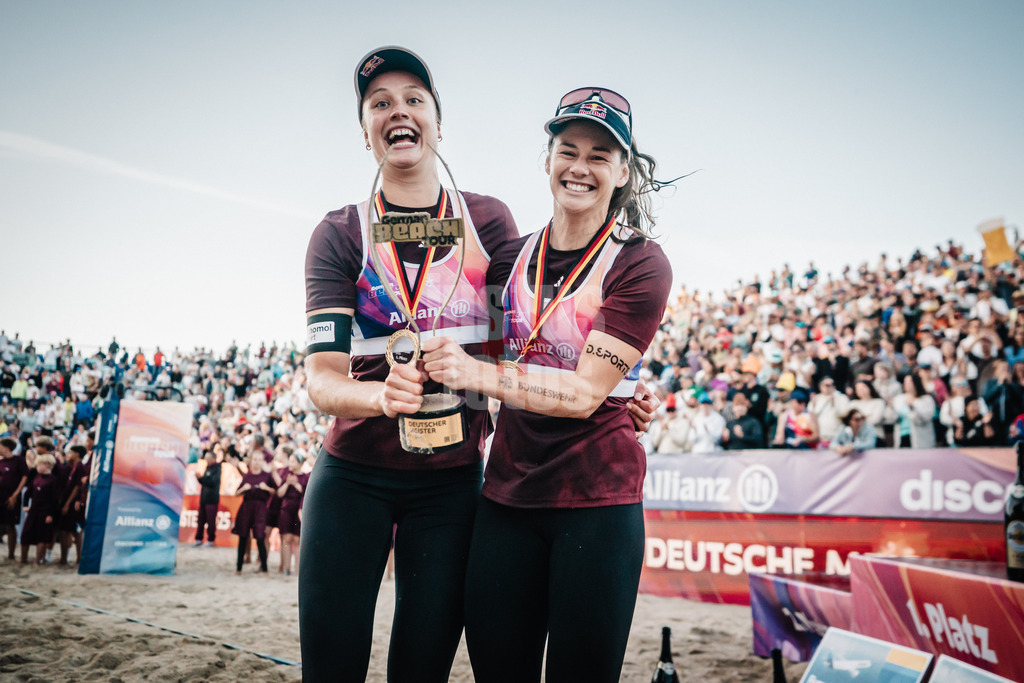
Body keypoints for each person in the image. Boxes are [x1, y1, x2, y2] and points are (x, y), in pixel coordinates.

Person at [298, 48, 656, 682]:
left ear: (440, 120)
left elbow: (525, 336)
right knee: (331, 665)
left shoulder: (490, 224)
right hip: (353, 473)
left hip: (454, 479)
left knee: (423, 667)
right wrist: (380, 399)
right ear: (364, 131)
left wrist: (619, 387)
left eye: (414, 99)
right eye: (380, 103)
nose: (398, 111)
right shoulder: (340, 231)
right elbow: (321, 380)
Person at [420, 85, 674, 681]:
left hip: (597, 504)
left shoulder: (640, 261)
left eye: (599, 155)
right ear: (547, 159)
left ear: (623, 172)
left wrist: (481, 373)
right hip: (506, 496)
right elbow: (480, 365)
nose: (580, 167)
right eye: (568, 149)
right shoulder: (509, 259)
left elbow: (585, 393)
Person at [231, 451, 274, 574]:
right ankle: (238, 568)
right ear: (251, 461)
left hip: (260, 509)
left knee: (260, 538)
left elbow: (274, 491)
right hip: (246, 508)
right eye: (255, 459)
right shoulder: (247, 476)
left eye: (259, 459)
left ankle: (264, 568)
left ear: (263, 461)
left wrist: (266, 488)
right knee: (243, 537)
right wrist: (243, 489)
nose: (257, 462)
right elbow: (236, 493)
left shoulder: (267, 476)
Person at [20, 452, 60, 565]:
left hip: (45, 512)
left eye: (39, 465)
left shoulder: (53, 480)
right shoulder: (37, 477)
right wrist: (25, 505)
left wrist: (50, 515)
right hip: (33, 510)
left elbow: (55, 500)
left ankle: (38, 560)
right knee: (25, 535)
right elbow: (28, 493)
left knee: (41, 537)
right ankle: (23, 559)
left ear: (47, 465)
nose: (37, 467)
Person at [276, 451, 307, 576]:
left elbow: (304, 493)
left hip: (298, 508)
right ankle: (286, 568)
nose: (290, 463)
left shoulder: (305, 477)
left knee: (297, 539)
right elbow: (279, 493)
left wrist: (296, 484)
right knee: (286, 538)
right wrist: (288, 483)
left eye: (293, 461)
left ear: (300, 463)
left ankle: (297, 570)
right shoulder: (286, 475)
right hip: (286, 509)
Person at [0, 436, 28, 560]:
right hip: (1, 496)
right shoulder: (1, 462)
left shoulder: (19, 460)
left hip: (12, 497)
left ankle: (11, 553)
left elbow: (24, 477)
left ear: (6, 448)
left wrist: (15, 495)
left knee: (10, 525)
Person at [194, 447, 221, 547]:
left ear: (213, 458)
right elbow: (205, 482)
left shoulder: (218, 468)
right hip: (204, 498)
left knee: (210, 521)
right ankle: (198, 539)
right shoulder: (207, 467)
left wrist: (202, 478)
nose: (206, 460)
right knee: (200, 520)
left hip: (212, 499)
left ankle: (210, 540)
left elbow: (212, 482)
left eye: (208, 458)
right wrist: (199, 478)